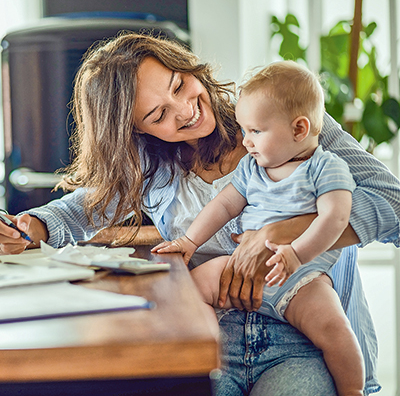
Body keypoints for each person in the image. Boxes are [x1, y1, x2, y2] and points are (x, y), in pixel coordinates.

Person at [0, 32, 400, 395]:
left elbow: (394, 205)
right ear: (137, 132)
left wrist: (284, 231)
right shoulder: (152, 166)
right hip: (210, 335)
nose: (185, 109)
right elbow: (83, 208)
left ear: (187, 66)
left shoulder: (282, 114)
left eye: (179, 85)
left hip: (305, 334)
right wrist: (30, 226)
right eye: (158, 114)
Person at [152, 60, 363, 395]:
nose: (245, 141)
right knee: (191, 288)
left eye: (256, 132)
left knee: (333, 327)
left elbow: (335, 220)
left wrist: (295, 254)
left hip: (301, 276)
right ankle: (210, 357)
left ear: (298, 130)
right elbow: (223, 205)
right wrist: (190, 241)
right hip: (242, 264)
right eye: (244, 130)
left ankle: (353, 389)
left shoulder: (326, 167)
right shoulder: (252, 168)